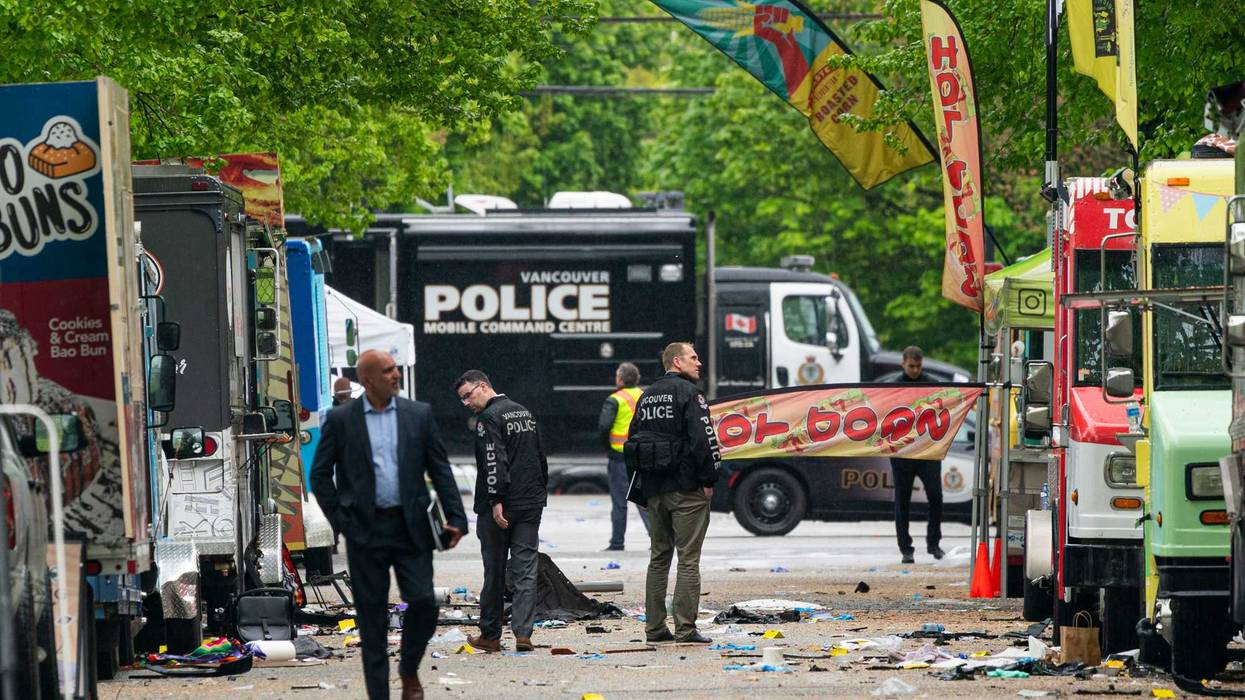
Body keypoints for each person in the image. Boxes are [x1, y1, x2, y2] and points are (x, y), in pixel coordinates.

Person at [310, 350, 467, 700]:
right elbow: (320, 476)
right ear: (367, 380)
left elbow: (439, 469)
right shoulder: (342, 420)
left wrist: (455, 517)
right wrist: (341, 522)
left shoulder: (418, 415)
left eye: (395, 368)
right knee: (372, 620)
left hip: (411, 528)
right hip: (365, 532)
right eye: (387, 370)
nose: (395, 374)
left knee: (424, 602)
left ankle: (409, 667)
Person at [626, 342, 720, 645]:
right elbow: (703, 440)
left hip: (654, 489)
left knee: (658, 558)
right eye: (694, 357)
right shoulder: (691, 395)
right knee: (688, 559)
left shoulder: (646, 396)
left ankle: (654, 628)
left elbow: (633, 441)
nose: (699, 362)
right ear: (677, 362)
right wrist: (709, 479)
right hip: (686, 488)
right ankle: (686, 628)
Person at [455, 370, 548, 653]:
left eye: (468, 395)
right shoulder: (524, 412)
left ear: (483, 386)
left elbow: (494, 460)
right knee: (526, 570)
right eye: (462, 399)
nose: (466, 403)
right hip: (531, 503)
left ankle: (491, 635)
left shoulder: (488, 419)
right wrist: (539, 493)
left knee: (494, 571)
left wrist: (496, 500)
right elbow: (540, 458)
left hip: (501, 507)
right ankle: (523, 634)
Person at [889, 345, 945, 564]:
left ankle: (934, 544)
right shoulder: (893, 388)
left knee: (936, 498)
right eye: (911, 366)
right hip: (903, 454)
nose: (914, 370)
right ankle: (906, 549)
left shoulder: (933, 385)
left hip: (927, 451)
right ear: (903, 364)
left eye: (918, 366)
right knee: (902, 502)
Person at [599, 362, 649, 551]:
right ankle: (657, 539)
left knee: (620, 502)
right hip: (642, 455)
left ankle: (617, 542)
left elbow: (604, 427)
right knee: (643, 499)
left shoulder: (615, 399)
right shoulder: (645, 396)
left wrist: (608, 448)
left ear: (620, 379)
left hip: (620, 457)